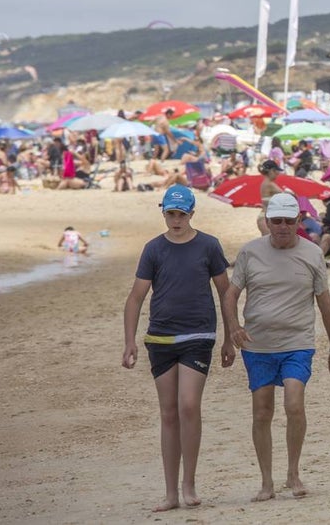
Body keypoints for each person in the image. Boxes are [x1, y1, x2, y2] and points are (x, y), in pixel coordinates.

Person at [222, 193, 330, 503]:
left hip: (297, 343)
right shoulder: (250, 252)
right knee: (262, 412)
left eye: (289, 221)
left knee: (294, 405)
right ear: (267, 221)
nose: (283, 227)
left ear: (299, 221)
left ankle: (293, 473)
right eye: (277, 221)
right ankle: (266, 482)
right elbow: (231, 294)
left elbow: (325, 301)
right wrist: (233, 328)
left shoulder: (312, 253)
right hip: (258, 345)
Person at [121, 184, 234, 512]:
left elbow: (225, 292)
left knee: (188, 405)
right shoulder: (153, 249)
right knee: (169, 413)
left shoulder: (209, 245)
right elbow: (135, 297)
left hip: (198, 336)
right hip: (160, 339)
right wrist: (129, 341)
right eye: (170, 213)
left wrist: (230, 336)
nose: (176, 220)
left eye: (181, 214)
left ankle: (189, 484)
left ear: (191, 213)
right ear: (164, 213)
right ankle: (171, 493)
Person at [257, 160, 284, 236]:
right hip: (267, 219)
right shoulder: (270, 184)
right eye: (277, 171)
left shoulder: (266, 183)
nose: (278, 174)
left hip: (266, 217)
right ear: (272, 171)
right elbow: (285, 196)